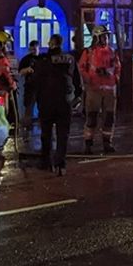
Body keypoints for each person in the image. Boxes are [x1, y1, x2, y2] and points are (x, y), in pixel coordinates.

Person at [33, 34, 78, 175]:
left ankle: (46, 162)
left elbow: (36, 82)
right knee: (62, 134)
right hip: (64, 102)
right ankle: (60, 164)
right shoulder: (69, 59)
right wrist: (77, 97)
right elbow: (77, 80)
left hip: (47, 102)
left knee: (46, 134)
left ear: (51, 44)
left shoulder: (43, 60)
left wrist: (34, 101)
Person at [78, 25, 121, 154]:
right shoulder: (89, 52)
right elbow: (81, 68)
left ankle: (107, 143)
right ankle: (88, 144)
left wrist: (114, 78)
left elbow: (118, 68)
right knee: (91, 117)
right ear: (97, 38)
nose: (106, 38)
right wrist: (89, 79)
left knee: (109, 118)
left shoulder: (112, 52)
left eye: (107, 36)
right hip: (94, 89)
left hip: (109, 90)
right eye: (104, 36)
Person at [18, 40, 41, 133]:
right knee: (28, 108)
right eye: (31, 49)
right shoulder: (25, 59)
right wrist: (27, 70)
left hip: (41, 87)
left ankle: (43, 128)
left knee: (43, 108)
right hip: (30, 87)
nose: (33, 51)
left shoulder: (43, 58)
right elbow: (20, 72)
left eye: (34, 49)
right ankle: (27, 129)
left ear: (38, 48)